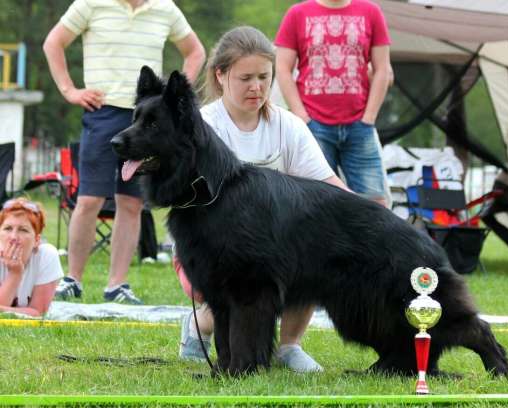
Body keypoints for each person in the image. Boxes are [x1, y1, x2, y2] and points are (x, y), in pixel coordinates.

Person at [176, 26, 348, 373]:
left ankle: (289, 346)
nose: (256, 87)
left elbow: (328, 186)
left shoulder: (291, 126)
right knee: (240, 282)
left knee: (314, 251)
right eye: (245, 78)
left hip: (275, 247)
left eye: (264, 77)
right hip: (213, 251)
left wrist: (374, 219)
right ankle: (199, 325)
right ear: (220, 75)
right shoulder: (201, 127)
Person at [43, 0, 205, 304]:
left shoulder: (165, 8)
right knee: (89, 199)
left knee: (131, 204)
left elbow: (195, 51)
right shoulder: (90, 3)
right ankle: (72, 279)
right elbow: (54, 43)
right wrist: (69, 90)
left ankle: (117, 285)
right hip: (101, 112)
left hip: (147, 119)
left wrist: (176, 96)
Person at [275, 0, 392, 207]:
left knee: (377, 204)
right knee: (314, 203)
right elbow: (283, 69)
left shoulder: (371, 12)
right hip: (313, 125)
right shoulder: (297, 13)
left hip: (360, 125)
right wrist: (301, 117)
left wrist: (369, 117)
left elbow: (383, 69)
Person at [0, 199, 63, 316]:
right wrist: (14, 274)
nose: (13, 237)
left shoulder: (46, 256)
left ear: (37, 240)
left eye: (23, 230)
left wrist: (16, 272)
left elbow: (39, 312)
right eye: (8, 228)